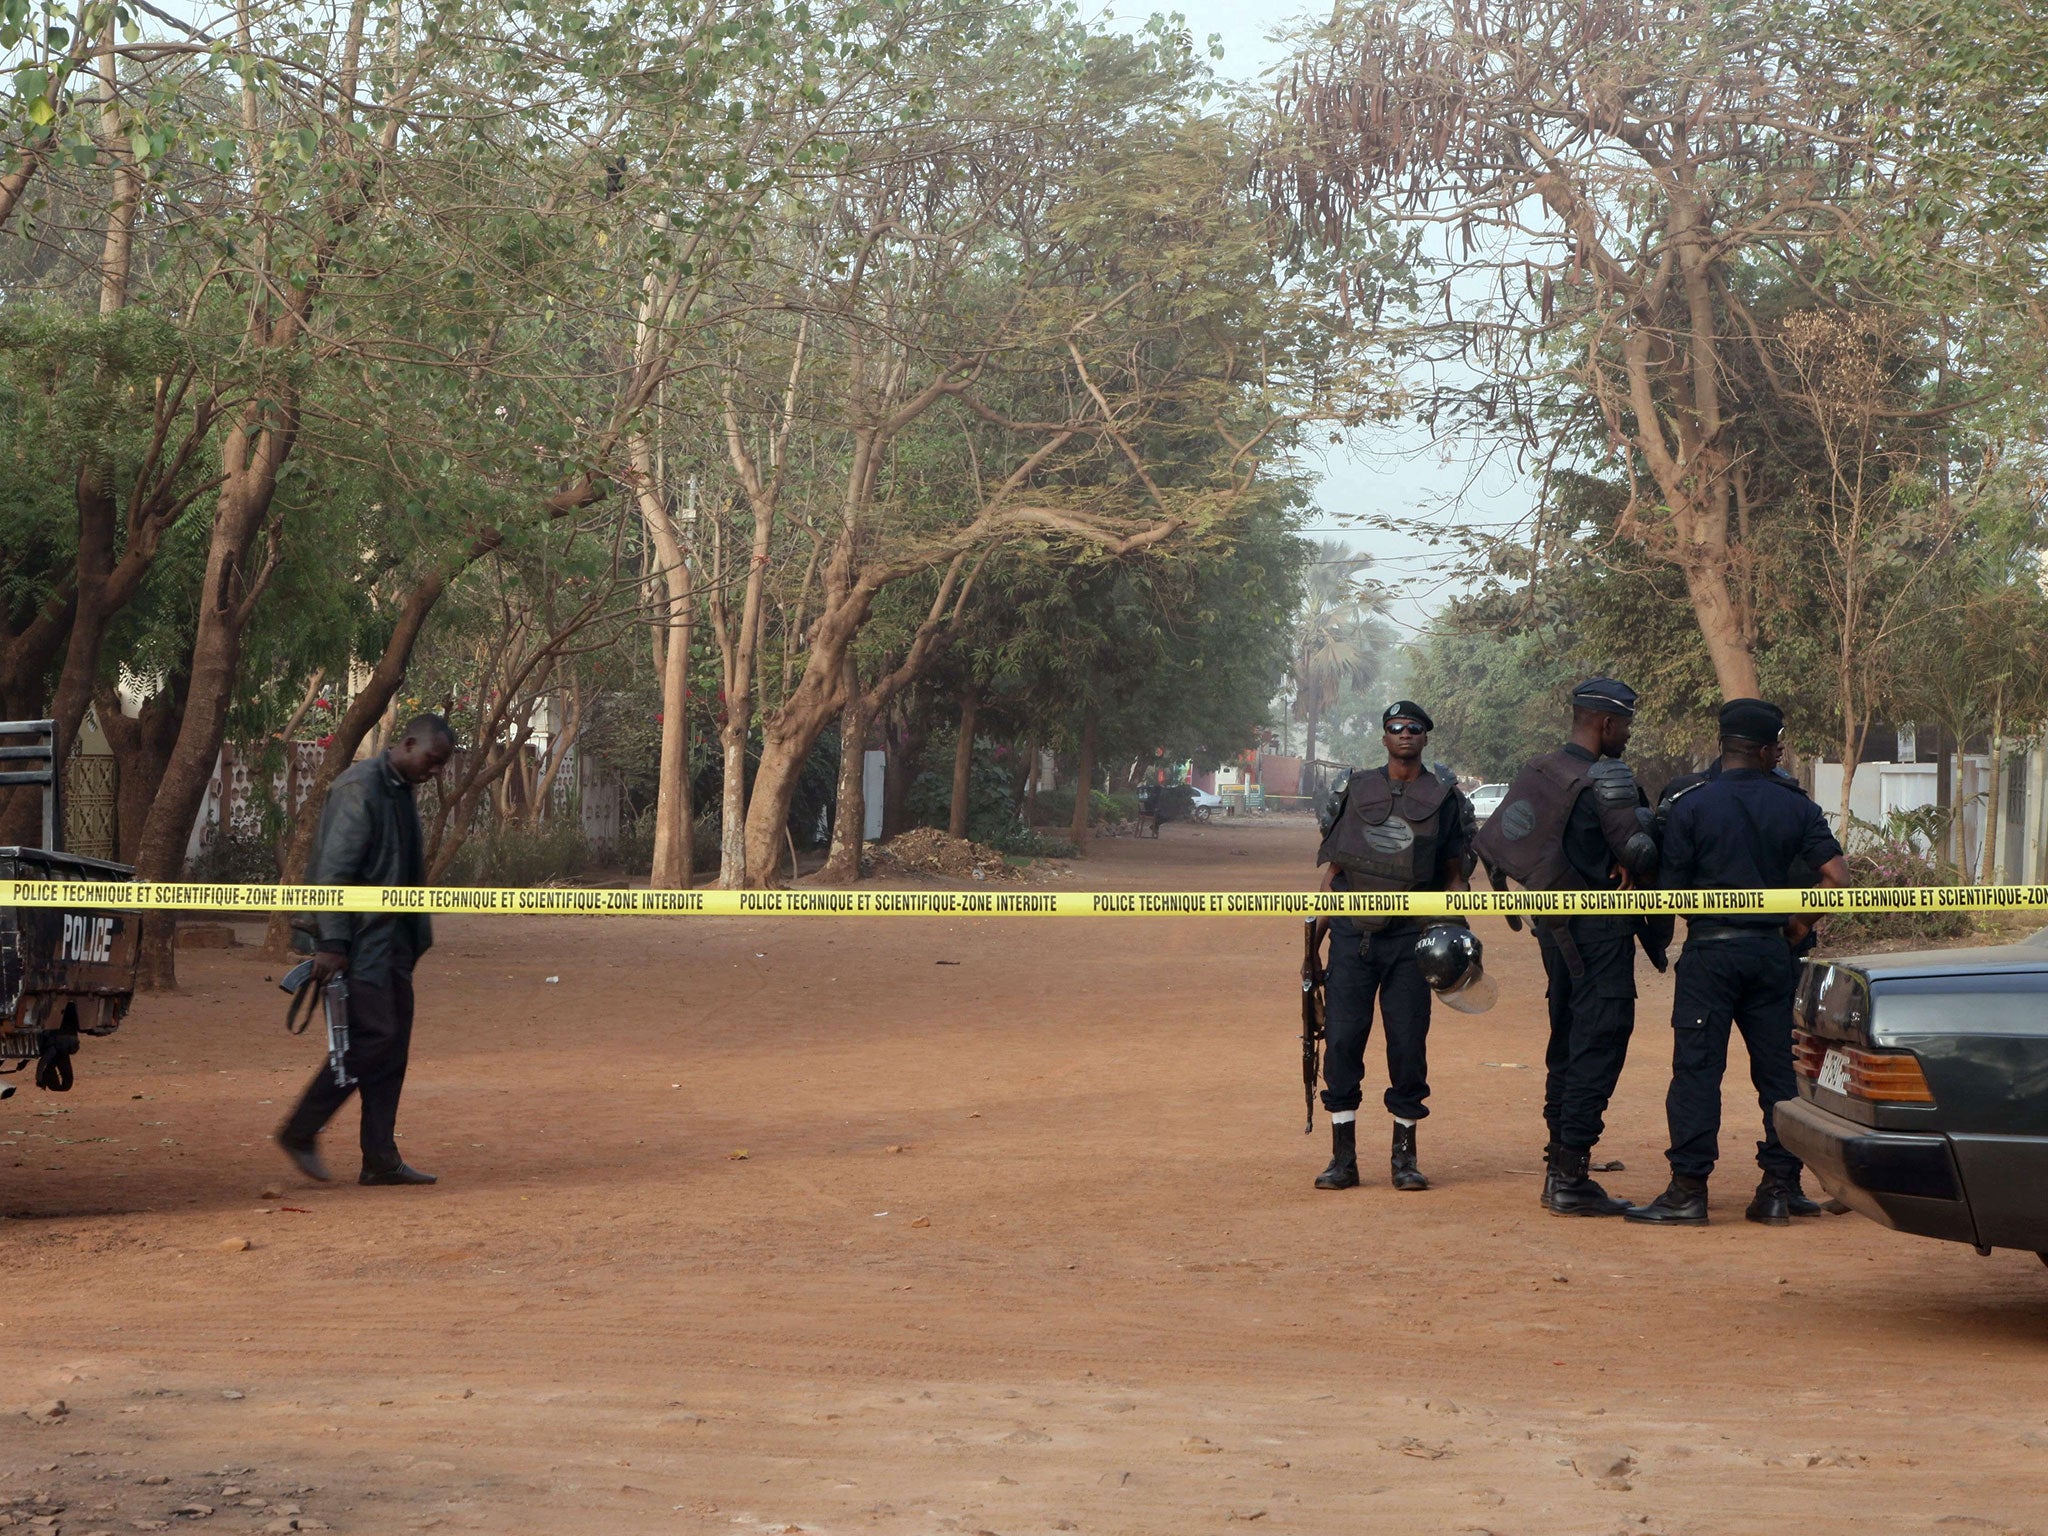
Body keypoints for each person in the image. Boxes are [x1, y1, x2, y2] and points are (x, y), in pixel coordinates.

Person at [1627, 699, 1851, 1227]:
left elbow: (1672, 895)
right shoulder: (1795, 805)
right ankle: (1778, 1189)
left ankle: (1688, 1191)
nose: (1782, 753)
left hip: (1711, 954)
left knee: (1697, 1071)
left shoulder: (1691, 805)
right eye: (1779, 744)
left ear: (1725, 745)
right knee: (1778, 1074)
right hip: (1773, 954)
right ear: (1764, 749)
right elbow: (1837, 876)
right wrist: (1795, 925)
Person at [1475, 678, 1661, 1217]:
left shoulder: (1541, 771)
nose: (1627, 734)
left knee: (1568, 1041)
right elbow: (1640, 852)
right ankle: (1570, 1174)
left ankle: (1559, 1160)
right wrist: (1654, 823)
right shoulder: (1608, 776)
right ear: (1606, 724)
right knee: (1600, 1041)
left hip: (1552, 930)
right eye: (1625, 724)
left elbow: (1502, 839)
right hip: (1598, 934)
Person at [276, 713, 456, 1187]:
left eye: (442, 766)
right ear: (409, 742)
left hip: (393, 944)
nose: (435, 772)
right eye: (433, 761)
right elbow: (333, 873)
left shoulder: (397, 787)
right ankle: (300, 1129)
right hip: (361, 947)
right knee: (372, 1042)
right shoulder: (360, 787)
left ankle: (380, 1158)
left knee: (391, 1047)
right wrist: (332, 942)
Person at [1308, 700, 1474, 1192]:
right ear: (1383, 737)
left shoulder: (1443, 797)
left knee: (1406, 1046)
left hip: (1411, 942)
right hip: (1351, 938)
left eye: (1413, 728)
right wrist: (1311, 947)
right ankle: (1343, 1160)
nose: (1404, 734)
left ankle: (1405, 1160)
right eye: (1395, 728)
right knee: (1340, 1044)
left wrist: (1461, 936)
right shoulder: (1355, 790)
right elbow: (1333, 874)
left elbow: (1453, 879)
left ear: (1425, 738)